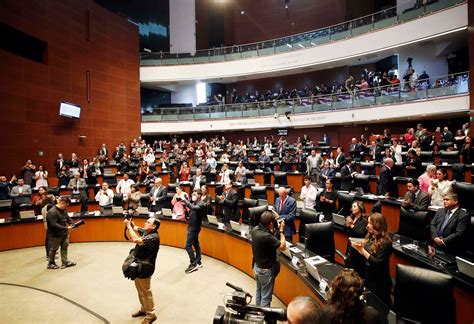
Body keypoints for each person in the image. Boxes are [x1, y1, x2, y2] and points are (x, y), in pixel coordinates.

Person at [123, 217, 160, 324]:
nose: (145, 223)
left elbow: (136, 240)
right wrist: (131, 224)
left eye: (148, 222)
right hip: (139, 266)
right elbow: (135, 228)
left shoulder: (153, 237)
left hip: (145, 268)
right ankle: (144, 309)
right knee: (140, 290)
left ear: (153, 226)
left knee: (146, 291)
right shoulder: (147, 232)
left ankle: (151, 314)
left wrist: (128, 227)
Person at [351, 213, 392, 305]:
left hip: (380, 283)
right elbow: (367, 255)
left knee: (378, 308)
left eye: (370, 223)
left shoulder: (386, 243)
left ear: (377, 225)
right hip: (369, 277)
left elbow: (377, 262)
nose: (367, 225)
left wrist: (362, 249)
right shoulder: (371, 238)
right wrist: (360, 249)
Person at [251, 211, 286, 307]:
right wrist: (281, 231)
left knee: (259, 293)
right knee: (266, 299)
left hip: (257, 268)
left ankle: (256, 314)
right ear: (270, 223)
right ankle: (263, 319)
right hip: (265, 272)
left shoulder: (255, 230)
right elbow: (283, 246)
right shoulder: (267, 237)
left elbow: (270, 237)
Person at [46, 196, 76, 269]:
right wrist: (66, 228)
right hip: (55, 234)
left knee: (64, 246)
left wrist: (72, 223)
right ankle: (51, 263)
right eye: (65, 205)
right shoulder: (52, 212)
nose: (66, 207)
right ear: (61, 203)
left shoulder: (64, 209)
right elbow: (53, 224)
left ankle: (65, 262)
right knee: (54, 248)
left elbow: (67, 218)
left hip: (64, 232)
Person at [184, 189, 206, 274]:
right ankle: (198, 261)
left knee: (187, 246)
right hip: (191, 226)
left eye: (195, 194)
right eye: (193, 194)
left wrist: (185, 200)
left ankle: (193, 263)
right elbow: (190, 212)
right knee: (196, 244)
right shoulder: (194, 203)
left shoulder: (202, 204)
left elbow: (193, 208)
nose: (193, 196)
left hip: (195, 227)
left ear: (200, 195)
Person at [344, 201, 368, 278]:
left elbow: (361, 233)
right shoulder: (352, 217)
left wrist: (351, 225)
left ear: (360, 208)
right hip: (350, 244)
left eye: (354, 206)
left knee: (356, 269)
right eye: (352, 206)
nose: (352, 208)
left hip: (358, 246)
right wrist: (347, 224)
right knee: (349, 265)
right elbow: (345, 227)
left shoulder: (364, 220)